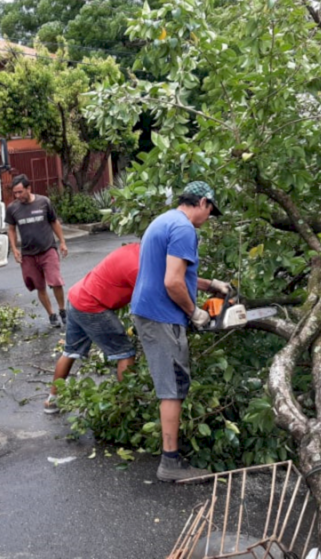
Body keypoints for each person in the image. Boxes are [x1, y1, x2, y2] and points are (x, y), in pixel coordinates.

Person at [131, 181, 230, 483]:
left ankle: (171, 456)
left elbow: (177, 272)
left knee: (171, 384)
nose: (209, 218)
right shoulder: (185, 228)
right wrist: (194, 312)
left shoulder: (165, 220)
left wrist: (210, 284)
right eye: (210, 211)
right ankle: (169, 463)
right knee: (173, 387)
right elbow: (173, 283)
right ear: (203, 202)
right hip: (161, 315)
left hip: (149, 311)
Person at [43, 242, 140, 414]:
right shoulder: (138, 268)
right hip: (92, 307)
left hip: (77, 297)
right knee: (125, 352)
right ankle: (126, 406)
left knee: (70, 351)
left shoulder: (134, 249)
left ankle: (52, 400)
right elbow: (151, 299)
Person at [5, 174, 69, 328]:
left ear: (28, 188)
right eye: (15, 193)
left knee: (55, 282)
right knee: (39, 286)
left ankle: (62, 311)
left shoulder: (43, 202)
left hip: (48, 249)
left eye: (20, 192)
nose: (18, 196)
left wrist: (62, 242)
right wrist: (14, 249)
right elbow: (11, 229)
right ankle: (51, 315)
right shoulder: (13, 208)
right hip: (28, 254)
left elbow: (54, 222)